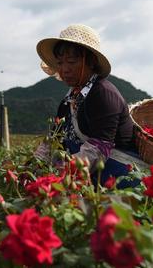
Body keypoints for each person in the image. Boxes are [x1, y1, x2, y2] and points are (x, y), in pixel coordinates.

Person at [34, 24, 143, 185]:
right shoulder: (68, 100)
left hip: (118, 176)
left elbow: (98, 149)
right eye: (60, 63)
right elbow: (53, 140)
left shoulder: (103, 94)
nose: (64, 69)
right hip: (87, 172)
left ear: (91, 61)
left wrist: (60, 176)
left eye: (71, 61)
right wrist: (34, 167)